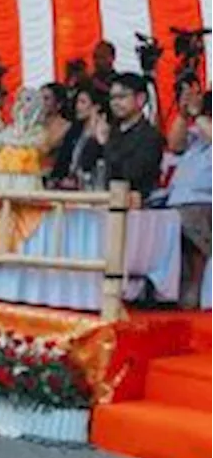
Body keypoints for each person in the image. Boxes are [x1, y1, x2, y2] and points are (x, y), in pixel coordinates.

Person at [81, 73, 164, 201]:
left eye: (121, 97)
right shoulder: (110, 130)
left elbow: (130, 175)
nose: (115, 103)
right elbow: (85, 165)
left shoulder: (150, 136)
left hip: (137, 208)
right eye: (112, 98)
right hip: (103, 201)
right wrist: (93, 137)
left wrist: (105, 145)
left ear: (140, 99)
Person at [166, 83, 213, 308]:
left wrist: (198, 115)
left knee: (194, 250)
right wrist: (184, 116)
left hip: (203, 200)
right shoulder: (201, 128)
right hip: (177, 198)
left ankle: (195, 298)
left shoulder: (205, 126)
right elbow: (175, 145)